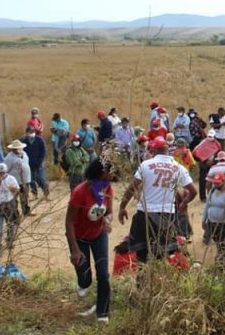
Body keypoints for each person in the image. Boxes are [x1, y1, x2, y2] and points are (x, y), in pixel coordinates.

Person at [117, 137, 197, 264]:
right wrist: (183, 203)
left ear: (153, 151)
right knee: (161, 255)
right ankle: (157, 281)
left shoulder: (145, 165)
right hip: (166, 216)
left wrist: (122, 207)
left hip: (144, 214)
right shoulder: (178, 167)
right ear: (167, 150)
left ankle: (143, 282)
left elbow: (132, 188)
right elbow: (193, 191)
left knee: (142, 257)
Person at [65, 158, 113, 323]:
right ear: (99, 174)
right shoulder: (80, 192)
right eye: (108, 175)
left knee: (103, 275)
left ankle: (102, 314)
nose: (111, 178)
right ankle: (83, 282)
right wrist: (75, 249)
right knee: (86, 278)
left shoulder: (108, 189)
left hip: (99, 235)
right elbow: (69, 221)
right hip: (79, 238)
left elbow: (109, 212)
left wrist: (107, 220)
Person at [202, 172, 225, 262]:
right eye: (215, 182)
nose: (216, 184)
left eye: (218, 183)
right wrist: (204, 220)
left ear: (224, 181)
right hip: (213, 224)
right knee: (218, 243)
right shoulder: (212, 191)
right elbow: (207, 205)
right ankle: (221, 260)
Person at [0, 162, 20, 258]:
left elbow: (17, 190)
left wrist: (13, 189)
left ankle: (10, 242)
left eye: (3, 173)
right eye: (0, 173)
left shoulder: (11, 179)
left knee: (11, 224)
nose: (1, 175)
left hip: (9, 203)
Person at [21, 125, 49, 200]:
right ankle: (34, 194)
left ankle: (46, 194)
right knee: (31, 180)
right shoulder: (24, 141)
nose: (31, 133)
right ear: (26, 133)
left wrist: (39, 161)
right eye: (30, 132)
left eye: (33, 132)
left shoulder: (39, 140)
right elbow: (21, 152)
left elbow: (43, 152)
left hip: (38, 164)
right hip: (28, 164)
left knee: (41, 179)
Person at [4, 140, 31, 217]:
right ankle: (15, 214)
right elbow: (6, 170)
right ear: (13, 149)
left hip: (25, 179)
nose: (18, 149)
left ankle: (26, 211)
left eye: (19, 148)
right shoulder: (9, 158)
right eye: (16, 148)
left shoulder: (24, 154)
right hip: (15, 181)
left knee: (25, 196)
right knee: (14, 198)